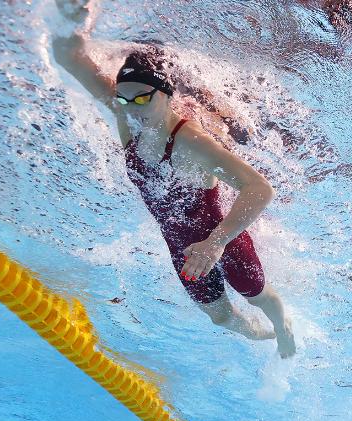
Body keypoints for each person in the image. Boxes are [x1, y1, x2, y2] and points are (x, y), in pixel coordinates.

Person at [51, 0, 296, 357]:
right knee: (222, 319)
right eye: (122, 100)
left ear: (166, 95)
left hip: (222, 245)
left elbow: (259, 189)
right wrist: (74, 16)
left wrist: (215, 244)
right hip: (180, 248)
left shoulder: (189, 142)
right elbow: (69, 56)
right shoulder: (129, 118)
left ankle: (282, 325)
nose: (131, 107)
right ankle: (261, 337)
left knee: (260, 297)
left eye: (141, 99)